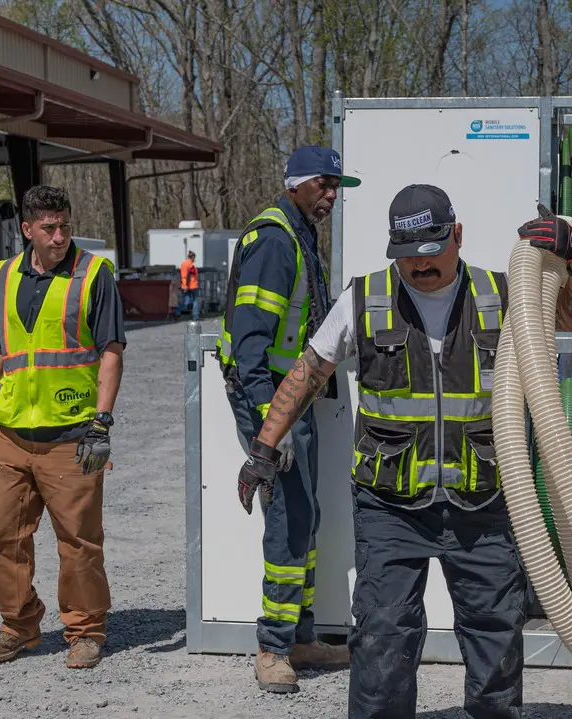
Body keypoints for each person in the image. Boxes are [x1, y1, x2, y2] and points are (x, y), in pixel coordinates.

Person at [237, 184, 572, 718]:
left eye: (431, 251)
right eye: (406, 255)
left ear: (457, 236)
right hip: (389, 506)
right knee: (383, 635)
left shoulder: (504, 295)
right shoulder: (365, 297)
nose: (418, 265)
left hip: (483, 500)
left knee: (495, 636)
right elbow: (308, 372)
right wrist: (263, 448)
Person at [0, 184, 126, 670]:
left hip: (72, 433)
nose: (59, 236)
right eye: (48, 228)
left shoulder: (93, 274)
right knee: (2, 537)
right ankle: (19, 624)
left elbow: (111, 351)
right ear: (27, 229)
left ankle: (86, 630)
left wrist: (102, 422)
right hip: (13, 432)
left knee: (79, 543)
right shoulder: (4, 276)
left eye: (65, 226)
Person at [217, 145, 360, 693]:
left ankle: (299, 635)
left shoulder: (299, 233)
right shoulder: (276, 239)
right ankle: (273, 647)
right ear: (296, 183)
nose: (330, 196)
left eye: (335, 188)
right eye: (323, 185)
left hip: (291, 398)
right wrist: (264, 429)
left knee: (305, 516)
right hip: (270, 400)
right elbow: (250, 341)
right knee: (288, 517)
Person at [179, 250, 200, 320]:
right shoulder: (191, 265)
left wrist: (184, 284)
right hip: (192, 285)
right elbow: (188, 275)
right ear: (192, 257)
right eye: (194, 258)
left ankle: (177, 311)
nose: (194, 260)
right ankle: (195, 316)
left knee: (186, 300)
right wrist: (187, 285)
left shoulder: (183, 264)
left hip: (184, 284)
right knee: (195, 300)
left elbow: (182, 274)